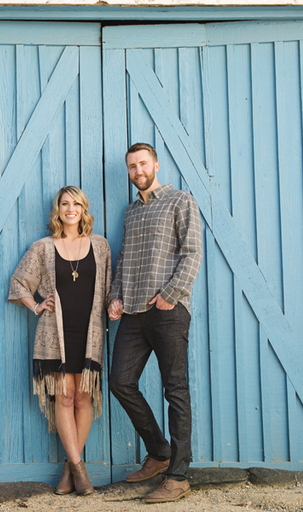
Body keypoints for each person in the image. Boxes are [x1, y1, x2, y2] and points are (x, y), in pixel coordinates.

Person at [108, 143, 203, 504]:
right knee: (120, 382)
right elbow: (123, 259)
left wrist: (172, 293)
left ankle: (178, 476)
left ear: (156, 165)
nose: (137, 171)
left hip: (167, 310)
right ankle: (160, 452)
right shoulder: (131, 212)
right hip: (132, 312)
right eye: (132, 166)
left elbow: (192, 252)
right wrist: (115, 296)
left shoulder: (180, 201)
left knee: (175, 390)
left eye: (142, 164)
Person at [8, 185, 112, 496]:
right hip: (55, 336)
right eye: (64, 204)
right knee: (64, 398)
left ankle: (70, 468)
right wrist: (36, 305)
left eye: (76, 204)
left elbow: (109, 286)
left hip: (90, 333)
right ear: (58, 209)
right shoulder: (43, 247)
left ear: (83, 209)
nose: (70, 209)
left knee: (83, 399)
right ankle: (80, 471)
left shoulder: (100, 246)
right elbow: (19, 282)